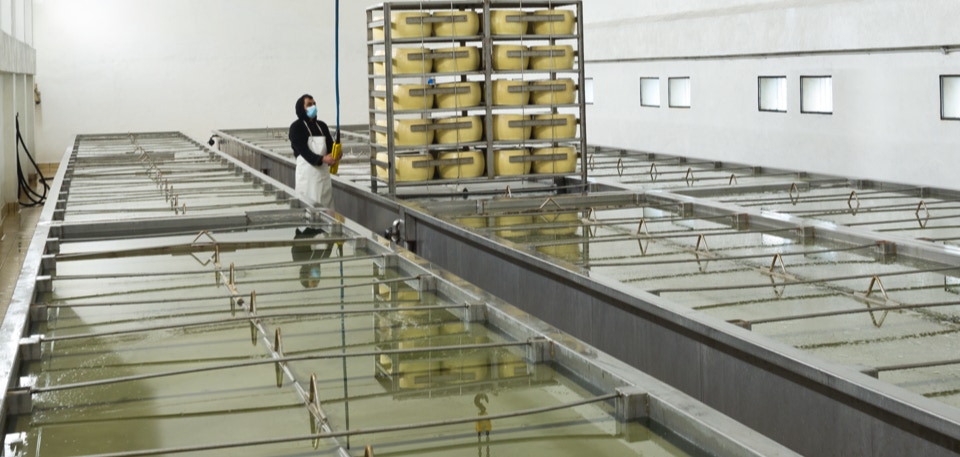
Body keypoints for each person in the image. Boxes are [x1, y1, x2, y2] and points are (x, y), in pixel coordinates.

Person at [289, 94, 336, 210]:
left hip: (323, 179)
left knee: (326, 211)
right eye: (309, 105)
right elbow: (304, 152)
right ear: (302, 108)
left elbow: (330, 147)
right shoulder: (296, 127)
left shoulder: (322, 126)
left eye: (314, 104)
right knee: (309, 210)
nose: (313, 107)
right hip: (307, 180)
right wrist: (323, 159)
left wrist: (336, 154)